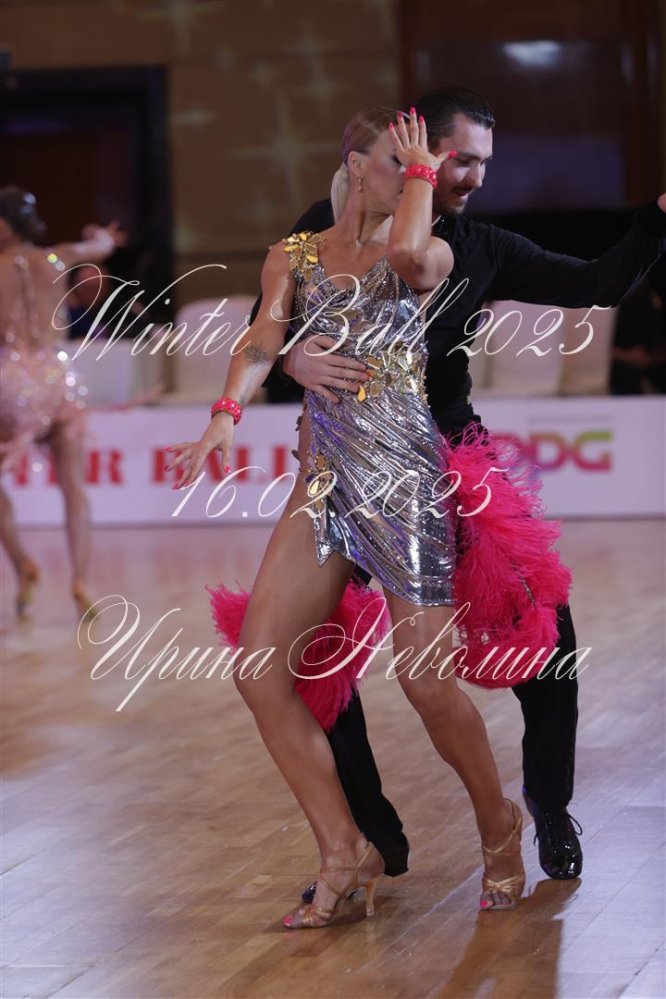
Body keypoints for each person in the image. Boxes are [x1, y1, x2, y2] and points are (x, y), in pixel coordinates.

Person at [270, 86, 666, 895]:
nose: (476, 175)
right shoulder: (332, 222)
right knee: (314, 652)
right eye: (462, 158)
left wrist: (657, 218)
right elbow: (272, 329)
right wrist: (292, 358)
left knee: (546, 631)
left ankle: (547, 806)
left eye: (485, 162)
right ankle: (372, 837)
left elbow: (597, 282)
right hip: (348, 463)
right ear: (414, 146)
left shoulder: (481, 246)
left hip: (450, 457)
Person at [167, 108, 535, 928]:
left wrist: (421, 173)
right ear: (356, 165)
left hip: (404, 482)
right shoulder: (294, 255)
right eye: (398, 159)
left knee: (426, 681)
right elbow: (260, 338)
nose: (417, 171)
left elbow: (407, 257)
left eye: (421, 164)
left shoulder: (429, 248)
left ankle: (499, 823)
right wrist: (225, 415)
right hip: (324, 480)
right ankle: (344, 848)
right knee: (259, 670)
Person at [0, 187, 125, 618]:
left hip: (11, 384)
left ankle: (22, 564)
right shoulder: (57, 257)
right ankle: (81, 580)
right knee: (74, 488)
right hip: (60, 379)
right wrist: (99, 235)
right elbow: (101, 247)